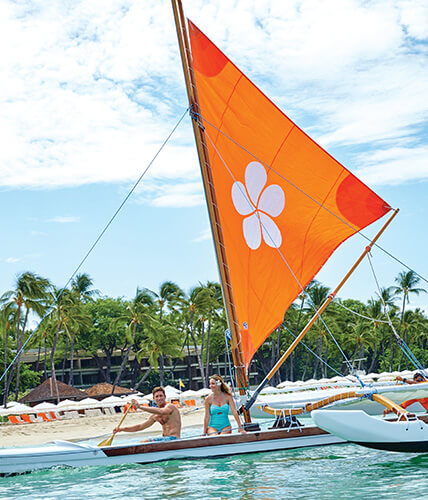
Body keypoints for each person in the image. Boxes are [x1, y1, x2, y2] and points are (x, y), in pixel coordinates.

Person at [114, 386, 181, 441]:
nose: (159, 398)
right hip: (165, 439)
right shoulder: (155, 415)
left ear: (165, 397)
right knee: (141, 440)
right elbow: (140, 427)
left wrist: (140, 407)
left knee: (145, 441)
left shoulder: (170, 407)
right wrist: (121, 429)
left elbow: (162, 411)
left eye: (161, 396)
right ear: (153, 399)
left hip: (174, 439)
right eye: (157, 396)